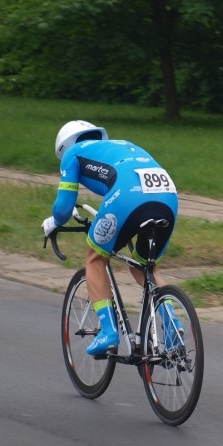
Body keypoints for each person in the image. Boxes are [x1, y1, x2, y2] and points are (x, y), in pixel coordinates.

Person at [42, 120, 181, 356]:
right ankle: (173, 324)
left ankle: (108, 331)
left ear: (64, 147)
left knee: (95, 258)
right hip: (167, 196)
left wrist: (53, 222)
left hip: (128, 195)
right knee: (145, 268)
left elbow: (64, 208)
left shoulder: (72, 154)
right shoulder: (121, 145)